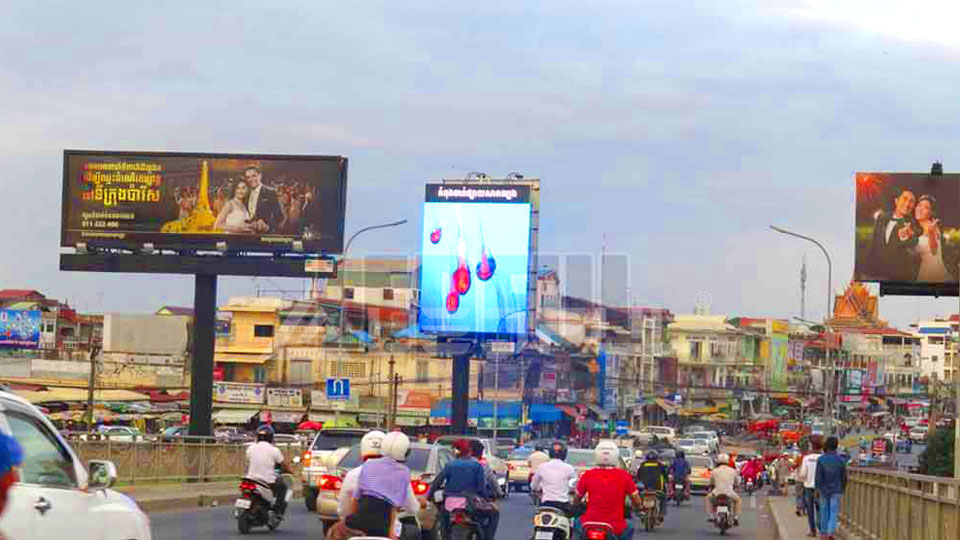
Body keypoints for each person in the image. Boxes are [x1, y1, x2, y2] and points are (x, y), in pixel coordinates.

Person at [345, 431, 416, 538]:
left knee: (333, 533)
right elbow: (394, 505)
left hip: (359, 522)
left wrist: (349, 522)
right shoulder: (404, 472)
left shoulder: (368, 465)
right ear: (406, 451)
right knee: (414, 532)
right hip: (383, 526)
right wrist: (390, 532)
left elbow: (355, 498)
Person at [574, 441, 644, 540]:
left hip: (588, 523)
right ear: (615, 455)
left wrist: (576, 504)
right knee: (630, 526)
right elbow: (636, 500)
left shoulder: (588, 475)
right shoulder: (625, 476)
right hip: (616, 526)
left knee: (576, 522)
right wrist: (639, 507)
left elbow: (576, 499)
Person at [428, 439, 493, 540]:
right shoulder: (477, 466)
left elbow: (437, 482)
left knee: (443, 520)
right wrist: (488, 501)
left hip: (449, 504)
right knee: (494, 514)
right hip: (470, 504)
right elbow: (481, 488)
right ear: (469, 451)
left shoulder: (450, 465)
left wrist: (429, 496)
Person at [865, 188, 922, 281]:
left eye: (911, 202)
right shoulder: (881, 218)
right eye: (905, 199)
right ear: (896, 201)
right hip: (875, 274)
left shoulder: (915, 225)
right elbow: (873, 245)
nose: (907, 204)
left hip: (898, 277)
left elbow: (914, 244)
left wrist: (909, 235)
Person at [244, 425, 292, 516]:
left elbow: (248, 460)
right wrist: (290, 471)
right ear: (271, 437)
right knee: (283, 488)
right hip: (267, 480)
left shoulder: (250, 448)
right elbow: (284, 464)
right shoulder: (274, 450)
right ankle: (278, 512)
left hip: (250, 478)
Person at [530, 440, 577, 515]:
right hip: (563, 504)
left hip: (546, 503)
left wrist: (538, 489)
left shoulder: (542, 467)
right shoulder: (569, 468)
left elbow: (534, 486)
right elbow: (574, 485)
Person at [914, 195, 953, 282]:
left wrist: (931, 233)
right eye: (919, 205)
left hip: (934, 273)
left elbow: (934, 251)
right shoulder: (920, 228)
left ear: (931, 213)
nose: (920, 209)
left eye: (926, 207)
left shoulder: (932, 227)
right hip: (924, 270)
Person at [815, 436, 847, 540]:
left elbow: (818, 477)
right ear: (836, 446)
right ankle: (830, 533)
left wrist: (817, 489)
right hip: (836, 489)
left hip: (823, 489)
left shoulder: (821, 459)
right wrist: (842, 488)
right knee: (834, 511)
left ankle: (823, 533)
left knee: (824, 510)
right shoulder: (841, 460)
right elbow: (844, 477)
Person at [243, 165, 283, 233]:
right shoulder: (245, 194)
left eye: (254, 176)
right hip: (248, 235)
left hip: (265, 235)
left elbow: (279, 216)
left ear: (260, 176)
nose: (251, 179)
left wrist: (268, 226)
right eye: (248, 177)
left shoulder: (270, 192)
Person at [706, 453, 741, 526]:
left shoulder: (714, 471)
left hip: (717, 493)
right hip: (729, 493)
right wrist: (736, 486)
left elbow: (711, 482)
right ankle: (736, 517)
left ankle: (712, 516)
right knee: (738, 500)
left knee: (708, 498)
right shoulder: (733, 471)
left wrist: (710, 486)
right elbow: (737, 482)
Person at [798, 437, 822, 538]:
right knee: (820, 509)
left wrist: (802, 479)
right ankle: (821, 529)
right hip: (820, 488)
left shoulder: (806, 458)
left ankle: (812, 531)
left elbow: (803, 474)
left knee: (810, 510)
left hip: (808, 487)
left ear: (811, 446)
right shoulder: (822, 457)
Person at [635, 449, 669, 520]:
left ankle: (640, 510)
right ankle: (661, 513)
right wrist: (667, 481)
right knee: (663, 498)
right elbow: (665, 476)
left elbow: (638, 476)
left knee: (638, 497)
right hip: (658, 488)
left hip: (644, 488)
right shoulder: (660, 465)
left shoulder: (643, 465)